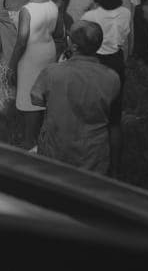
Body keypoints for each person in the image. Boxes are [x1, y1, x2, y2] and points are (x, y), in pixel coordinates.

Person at [30, 22, 121, 175]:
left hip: (56, 151)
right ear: (98, 46)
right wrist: (115, 168)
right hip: (93, 157)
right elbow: (115, 125)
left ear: (71, 44)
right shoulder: (112, 78)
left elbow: (37, 99)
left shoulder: (52, 72)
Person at [80, 0, 132, 178]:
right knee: (114, 119)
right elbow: (128, 40)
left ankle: (90, 163)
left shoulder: (90, 17)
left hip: (95, 61)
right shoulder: (126, 12)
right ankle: (116, 168)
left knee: (90, 115)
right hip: (116, 61)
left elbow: (80, 42)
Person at [7, 0, 62, 150]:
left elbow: (22, 41)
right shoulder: (53, 5)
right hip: (48, 50)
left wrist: (12, 65)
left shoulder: (27, 10)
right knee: (44, 91)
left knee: (30, 96)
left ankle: (29, 139)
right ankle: (43, 133)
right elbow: (58, 32)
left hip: (31, 55)